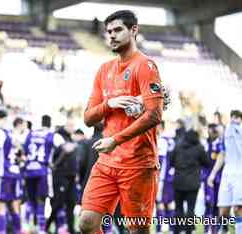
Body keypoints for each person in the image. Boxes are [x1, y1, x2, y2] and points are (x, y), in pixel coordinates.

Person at [79, 10, 164, 234]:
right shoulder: (104, 70)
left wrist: (115, 139)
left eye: (118, 30)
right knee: (87, 223)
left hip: (138, 164)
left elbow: (155, 115)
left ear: (133, 30)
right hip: (107, 162)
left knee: (137, 230)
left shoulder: (145, 66)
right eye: (109, 32)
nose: (112, 36)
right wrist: (110, 103)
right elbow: (88, 118)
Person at [22, 114, 65, 234]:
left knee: (30, 199)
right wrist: (55, 163)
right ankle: (41, 229)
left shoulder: (30, 134)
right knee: (41, 199)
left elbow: (23, 151)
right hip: (43, 171)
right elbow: (66, 149)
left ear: (41, 123)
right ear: (50, 123)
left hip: (29, 170)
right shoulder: (53, 136)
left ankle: (25, 225)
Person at [208, 110, 242, 234]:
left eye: (237, 117)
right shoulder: (226, 131)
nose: (234, 119)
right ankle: (224, 230)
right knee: (223, 211)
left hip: (240, 175)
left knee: (238, 208)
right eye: (232, 116)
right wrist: (212, 174)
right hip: (227, 174)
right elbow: (222, 154)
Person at [170, 129, 210, 234]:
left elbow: (171, 161)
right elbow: (207, 162)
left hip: (178, 182)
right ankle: (189, 231)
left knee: (178, 208)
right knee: (191, 208)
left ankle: (177, 230)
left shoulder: (178, 147)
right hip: (193, 183)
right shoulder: (199, 148)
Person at [202, 124, 224, 234]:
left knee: (217, 204)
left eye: (213, 130)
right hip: (207, 179)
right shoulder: (205, 144)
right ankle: (207, 229)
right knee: (208, 203)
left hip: (219, 179)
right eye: (209, 130)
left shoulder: (221, 144)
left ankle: (216, 229)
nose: (211, 132)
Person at [156, 121, 176, 234]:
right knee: (167, 202)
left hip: (163, 178)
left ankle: (163, 227)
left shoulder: (162, 141)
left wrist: (159, 178)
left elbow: (161, 162)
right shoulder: (168, 139)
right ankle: (169, 228)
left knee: (162, 202)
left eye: (157, 127)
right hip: (168, 177)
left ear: (161, 128)